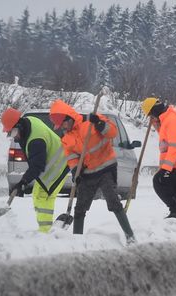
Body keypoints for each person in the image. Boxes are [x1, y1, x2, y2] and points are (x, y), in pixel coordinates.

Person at [49, 99, 135, 243]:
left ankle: (130, 236)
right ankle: (78, 241)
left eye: (63, 123)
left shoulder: (91, 122)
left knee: (113, 202)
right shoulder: (67, 138)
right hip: (88, 173)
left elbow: (112, 133)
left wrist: (100, 124)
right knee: (80, 208)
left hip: (106, 167)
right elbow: (71, 157)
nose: (62, 127)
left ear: (68, 118)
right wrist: (76, 170)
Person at [1, 108, 69, 232]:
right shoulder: (29, 122)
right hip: (54, 162)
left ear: (19, 126)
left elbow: (37, 166)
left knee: (41, 195)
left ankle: (45, 231)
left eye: (12, 133)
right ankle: (46, 229)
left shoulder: (35, 140)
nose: (13, 138)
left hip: (57, 165)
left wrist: (23, 182)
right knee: (40, 194)